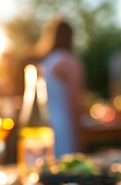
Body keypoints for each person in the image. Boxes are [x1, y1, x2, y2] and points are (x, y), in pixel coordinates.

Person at [35, 17, 86, 157]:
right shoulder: (69, 62)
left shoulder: (46, 62)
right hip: (63, 128)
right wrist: (80, 138)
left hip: (43, 127)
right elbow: (74, 103)